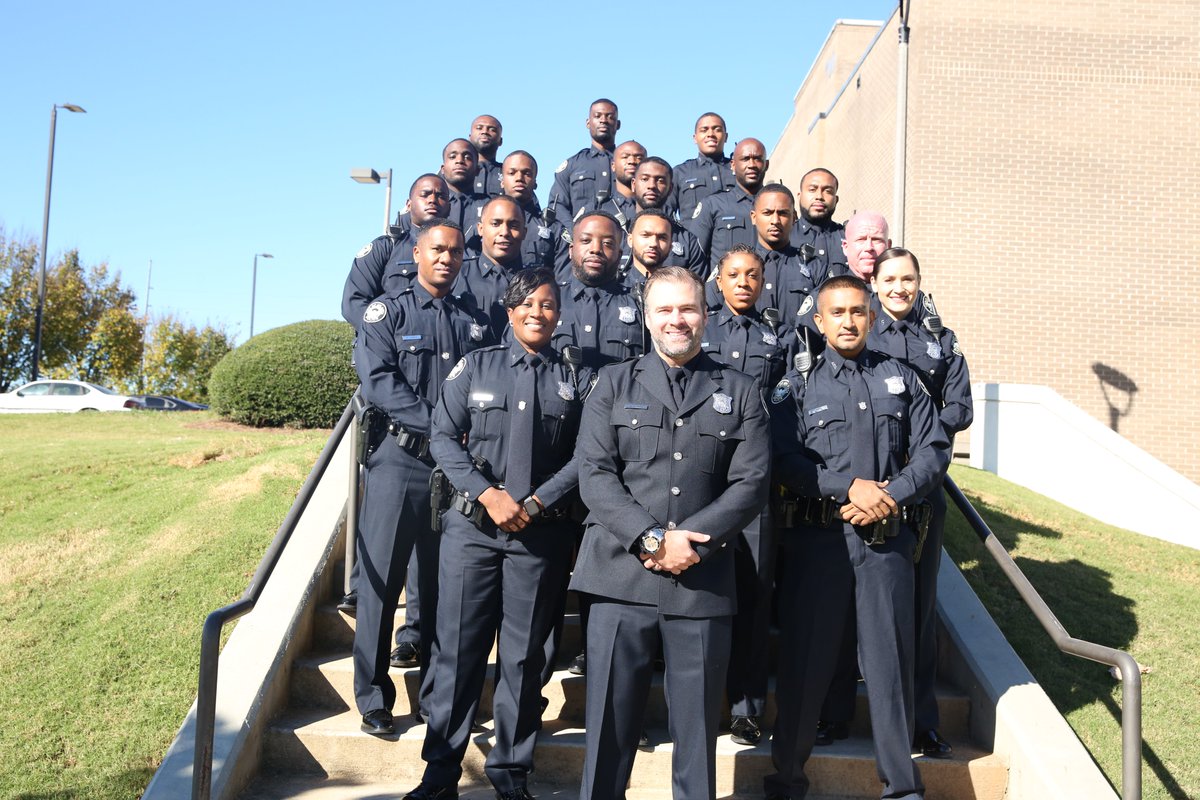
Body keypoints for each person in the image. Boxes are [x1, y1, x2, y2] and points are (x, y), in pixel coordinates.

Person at [571, 266, 771, 800]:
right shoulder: (612, 384)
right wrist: (652, 539)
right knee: (609, 734)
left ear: (705, 316)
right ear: (646, 316)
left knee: (698, 736)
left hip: (702, 584)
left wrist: (688, 540)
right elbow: (594, 474)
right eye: (665, 309)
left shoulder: (741, 391)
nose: (676, 319)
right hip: (620, 578)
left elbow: (751, 483)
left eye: (687, 308)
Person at [407, 269, 590, 800]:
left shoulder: (572, 380)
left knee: (524, 657)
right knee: (459, 653)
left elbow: (585, 455)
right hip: (473, 531)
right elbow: (443, 437)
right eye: (527, 302)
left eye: (548, 304)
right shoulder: (476, 366)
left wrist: (536, 501)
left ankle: (511, 773)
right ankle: (440, 773)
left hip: (539, 536)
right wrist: (488, 494)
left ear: (559, 314)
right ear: (509, 310)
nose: (537, 311)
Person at [765, 274, 950, 800]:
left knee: (891, 669)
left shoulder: (901, 377)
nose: (848, 321)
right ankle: (786, 782)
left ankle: (902, 788)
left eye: (857, 312)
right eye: (837, 313)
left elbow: (933, 450)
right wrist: (848, 486)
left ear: (870, 317)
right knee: (805, 668)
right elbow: (783, 458)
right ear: (819, 322)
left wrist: (890, 494)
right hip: (819, 546)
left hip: (885, 545)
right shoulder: (795, 386)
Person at [351, 219, 495, 738]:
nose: (447, 259)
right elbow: (381, 384)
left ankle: (437, 697)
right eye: (437, 249)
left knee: (439, 589)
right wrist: (443, 429)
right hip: (401, 462)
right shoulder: (386, 313)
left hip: (453, 471)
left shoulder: (476, 321)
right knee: (381, 584)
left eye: (456, 252)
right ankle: (372, 697)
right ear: (418, 252)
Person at [869, 247, 973, 759]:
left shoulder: (941, 340)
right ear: (875, 281)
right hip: (869, 486)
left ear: (918, 283)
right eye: (890, 278)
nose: (899, 288)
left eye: (907, 279)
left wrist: (925, 430)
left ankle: (922, 723)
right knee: (855, 609)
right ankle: (838, 711)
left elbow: (961, 407)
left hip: (924, 490)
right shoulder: (859, 330)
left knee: (921, 611)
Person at [700, 244, 789, 747]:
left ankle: (747, 708)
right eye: (734, 273)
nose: (744, 282)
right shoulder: (701, 329)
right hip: (704, 478)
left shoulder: (777, 338)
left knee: (753, 596)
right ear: (718, 278)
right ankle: (699, 699)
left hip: (754, 484)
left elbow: (784, 405)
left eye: (752, 274)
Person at [341, 174, 450, 325]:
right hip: (389, 343)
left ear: (450, 205)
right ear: (409, 204)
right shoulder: (385, 247)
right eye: (424, 195)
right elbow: (354, 304)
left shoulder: (462, 254)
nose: (432, 200)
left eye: (440, 196)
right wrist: (383, 335)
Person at [550, 212, 644, 369]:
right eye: (586, 241)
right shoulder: (547, 301)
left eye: (607, 243)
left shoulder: (639, 304)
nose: (596, 249)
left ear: (619, 254)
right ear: (571, 250)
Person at [685, 137, 769, 271]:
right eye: (745, 159)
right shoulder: (713, 204)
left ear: (767, 164)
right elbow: (695, 258)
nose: (752, 164)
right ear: (733, 165)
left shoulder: (778, 206)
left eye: (758, 159)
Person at [455, 195, 527, 338]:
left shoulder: (535, 282)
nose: (505, 232)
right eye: (495, 223)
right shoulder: (457, 275)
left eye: (513, 225)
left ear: (524, 232)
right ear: (480, 229)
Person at [548, 98, 621, 224]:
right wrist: (574, 234)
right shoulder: (572, 165)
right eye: (597, 116)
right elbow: (558, 206)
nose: (603, 120)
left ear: (618, 124)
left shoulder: (629, 165)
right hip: (581, 240)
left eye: (610, 117)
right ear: (588, 123)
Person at [672, 112, 736, 219]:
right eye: (704, 130)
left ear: (726, 137)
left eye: (717, 129)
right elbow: (666, 214)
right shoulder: (680, 172)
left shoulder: (739, 170)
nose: (710, 134)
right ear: (695, 138)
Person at [791, 168, 844, 277]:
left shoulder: (848, 238)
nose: (819, 196)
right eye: (812, 189)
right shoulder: (785, 237)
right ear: (799, 196)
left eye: (828, 191)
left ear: (836, 200)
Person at [440, 139, 489, 232]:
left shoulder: (489, 206)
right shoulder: (432, 204)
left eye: (467, 157)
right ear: (443, 169)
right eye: (452, 157)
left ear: (478, 170)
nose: (459, 161)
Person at [839, 211, 891, 282]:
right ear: (846, 247)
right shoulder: (830, 292)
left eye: (876, 240)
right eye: (861, 240)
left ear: (889, 246)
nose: (869, 247)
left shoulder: (901, 291)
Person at [468, 114, 504, 198]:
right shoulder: (453, 170)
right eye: (479, 128)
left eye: (492, 129)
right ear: (469, 137)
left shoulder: (509, 173)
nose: (484, 132)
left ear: (500, 141)